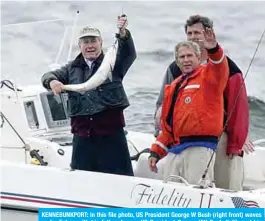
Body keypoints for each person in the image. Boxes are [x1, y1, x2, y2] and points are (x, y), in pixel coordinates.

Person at [154, 15, 250, 191]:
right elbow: (163, 104)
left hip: (220, 136)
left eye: (197, 32)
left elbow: (239, 109)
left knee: (224, 186)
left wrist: (237, 142)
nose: (193, 37)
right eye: (189, 33)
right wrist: (160, 139)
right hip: (182, 140)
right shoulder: (175, 68)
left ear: (208, 34)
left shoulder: (229, 69)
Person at [41, 15, 136, 176]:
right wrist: (52, 82)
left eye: (93, 41)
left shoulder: (113, 63)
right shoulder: (71, 68)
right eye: (86, 42)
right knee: (81, 181)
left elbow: (128, 53)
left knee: (120, 180)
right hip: (83, 139)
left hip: (111, 137)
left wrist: (123, 33)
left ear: (101, 43)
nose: (90, 45)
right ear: (80, 45)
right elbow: (47, 76)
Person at [148, 28, 229, 185]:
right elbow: (167, 127)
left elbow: (220, 67)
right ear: (177, 62)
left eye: (190, 56)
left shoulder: (209, 77)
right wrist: (156, 152)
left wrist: (214, 49)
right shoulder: (173, 87)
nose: (186, 60)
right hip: (175, 150)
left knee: (197, 197)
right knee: (171, 198)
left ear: (199, 57)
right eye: (182, 57)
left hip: (200, 149)